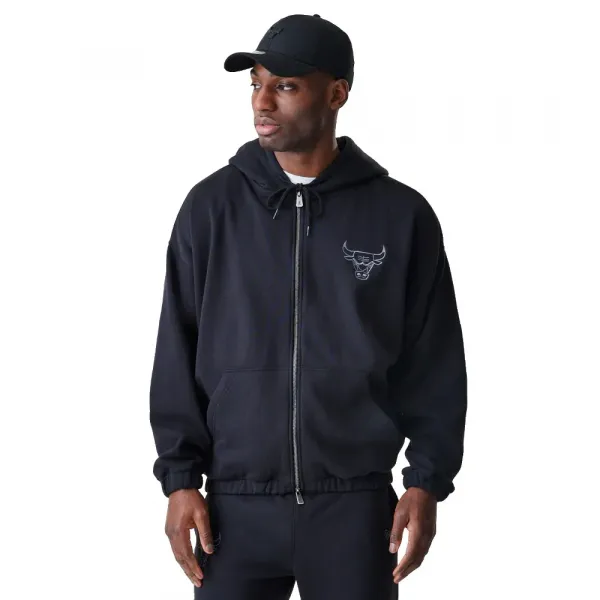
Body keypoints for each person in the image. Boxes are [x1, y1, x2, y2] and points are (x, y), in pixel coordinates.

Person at [149, 13, 467, 600]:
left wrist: (426, 482)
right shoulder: (210, 209)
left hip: (356, 510)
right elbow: (177, 348)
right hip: (233, 513)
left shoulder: (401, 216)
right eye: (256, 84)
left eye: (286, 86)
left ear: (337, 93)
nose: (262, 101)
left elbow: (436, 362)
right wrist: (179, 479)